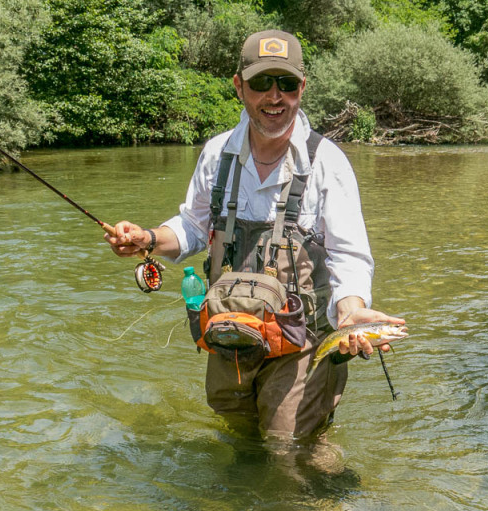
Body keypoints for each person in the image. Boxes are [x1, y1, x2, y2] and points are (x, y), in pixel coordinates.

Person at [105, 30, 404, 439]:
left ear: (302, 87)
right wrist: (148, 239)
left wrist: (350, 312)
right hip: (230, 332)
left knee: (289, 448)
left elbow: (348, 257)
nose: (275, 96)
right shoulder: (217, 154)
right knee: (238, 436)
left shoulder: (327, 162)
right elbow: (193, 227)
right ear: (239, 86)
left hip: (302, 341)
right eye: (262, 83)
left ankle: (328, 503)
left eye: (287, 83)